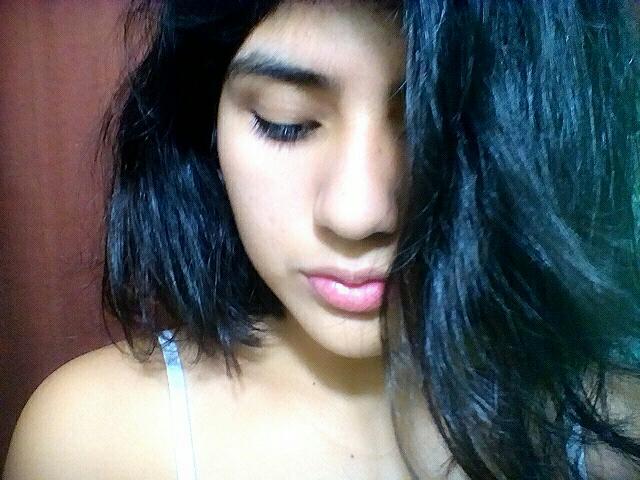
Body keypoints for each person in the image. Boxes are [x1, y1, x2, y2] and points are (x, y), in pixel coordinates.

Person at [5, 1, 640, 479]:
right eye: (285, 123)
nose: (359, 215)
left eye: (431, 128)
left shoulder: (616, 436)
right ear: (206, 127)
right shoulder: (88, 442)